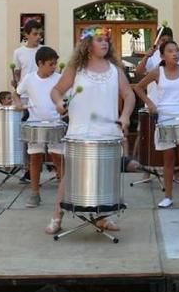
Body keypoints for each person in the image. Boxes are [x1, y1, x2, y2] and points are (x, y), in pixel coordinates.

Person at [46, 26, 135, 234]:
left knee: (106, 177)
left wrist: (125, 116)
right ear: (87, 44)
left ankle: (103, 217)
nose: (104, 43)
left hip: (108, 133)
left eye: (106, 40)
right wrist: (59, 103)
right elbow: (56, 90)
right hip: (81, 131)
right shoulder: (76, 69)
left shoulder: (115, 70)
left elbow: (129, 95)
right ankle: (56, 216)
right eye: (99, 40)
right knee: (71, 177)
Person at [133, 40, 179, 208]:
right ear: (163, 56)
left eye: (177, 51)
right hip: (165, 118)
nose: (175, 54)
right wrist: (150, 103)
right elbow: (138, 87)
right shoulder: (157, 72)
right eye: (171, 51)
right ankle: (168, 196)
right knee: (168, 160)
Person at [11, 46, 64, 208]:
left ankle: (65, 194)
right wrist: (18, 104)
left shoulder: (59, 78)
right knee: (35, 159)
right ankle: (35, 193)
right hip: (35, 124)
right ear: (40, 63)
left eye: (55, 64)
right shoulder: (29, 78)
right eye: (51, 64)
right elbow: (16, 93)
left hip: (56, 123)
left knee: (58, 159)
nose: (54, 67)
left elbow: (69, 98)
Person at [12, 19, 43, 89]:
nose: (39, 37)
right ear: (26, 34)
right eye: (35, 34)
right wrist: (15, 81)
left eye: (40, 34)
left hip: (41, 91)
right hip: (24, 93)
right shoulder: (18, 52)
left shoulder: (45, 50)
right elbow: (17, 74)